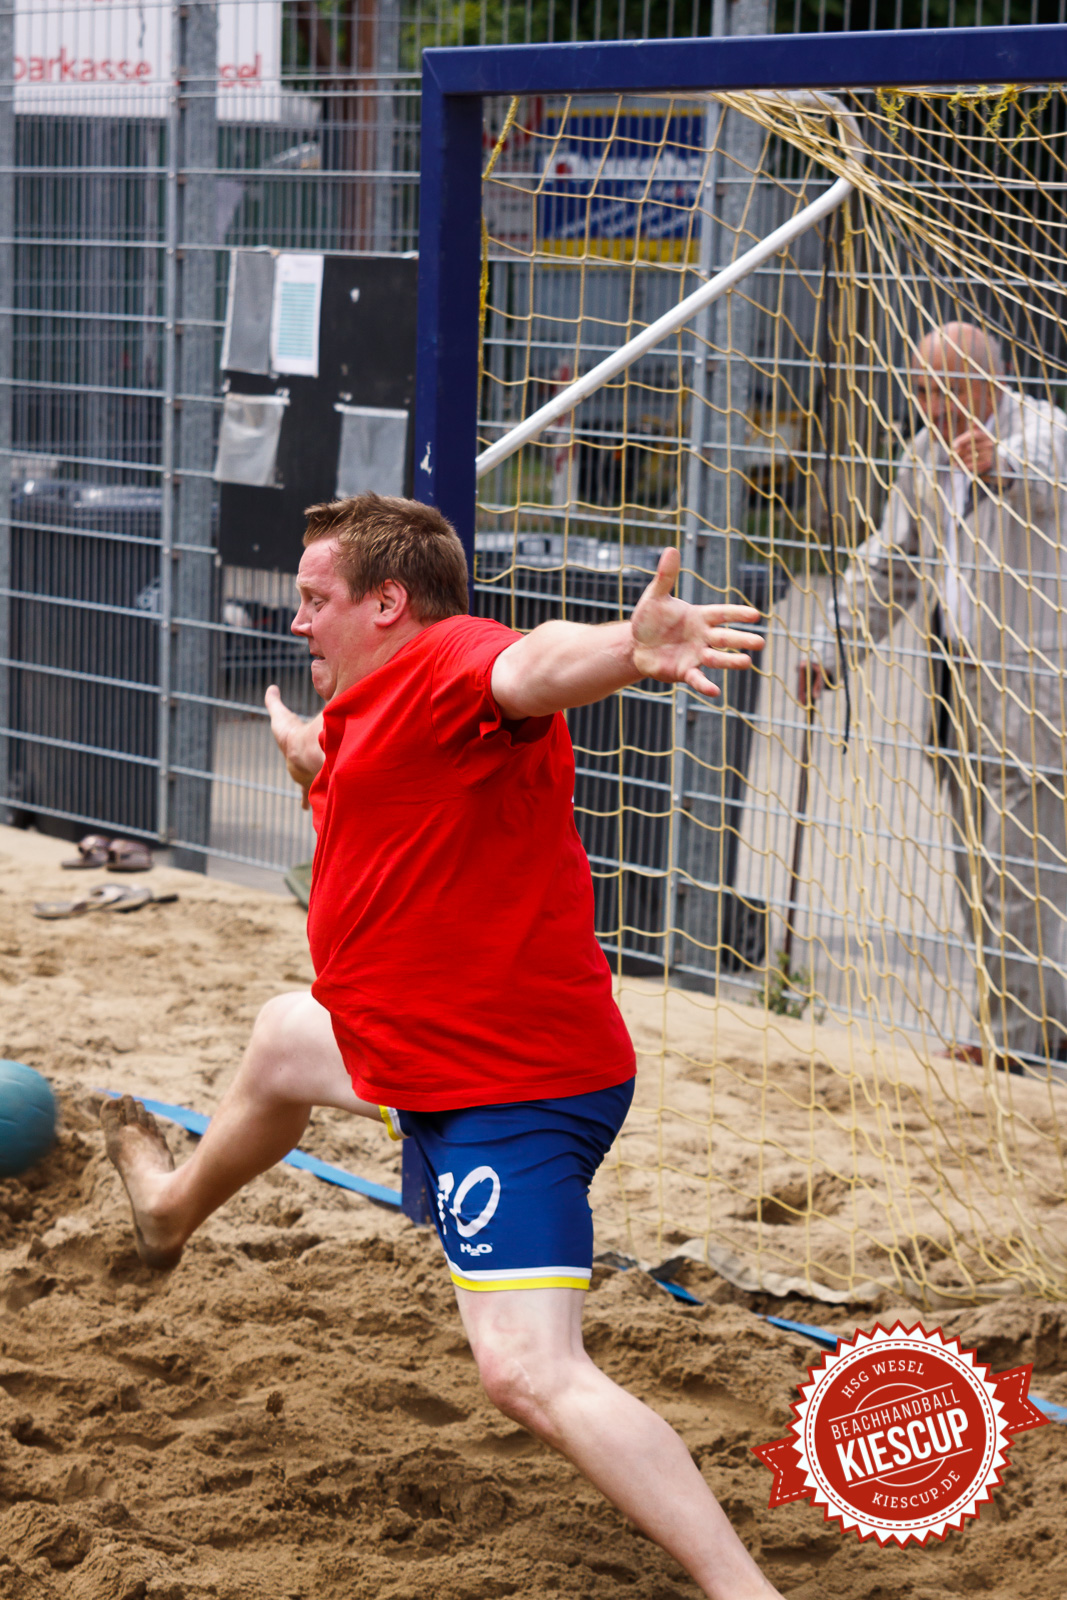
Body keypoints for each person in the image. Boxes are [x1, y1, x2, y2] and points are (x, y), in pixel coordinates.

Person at [102, 492, 782, 1600]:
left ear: (387, 601)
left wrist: (623, 647)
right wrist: (307, 760)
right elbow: (371, 776)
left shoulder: (454, 661)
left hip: (508, 1086)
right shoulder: (369, 713)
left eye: (313, 599)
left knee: (526, 1369)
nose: (294, 619)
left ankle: (744, 1592)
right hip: (412, 1049)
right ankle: (172, 1208)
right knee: (282, 1038)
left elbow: (528, 668)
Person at [801, 321, 1067, 1070]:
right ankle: (1034, 1025)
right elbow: (891, 565)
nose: (935, 406)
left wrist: (998, 465)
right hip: (954, 676)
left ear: (992, 381)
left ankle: (1012, 1048)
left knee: (1019, 870)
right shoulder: (922, 453)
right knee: (977, 866)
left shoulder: (1043, 431)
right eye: (922, 391)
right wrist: (832, 648)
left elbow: (1040, 475)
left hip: (1034, 682)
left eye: (950, 391)